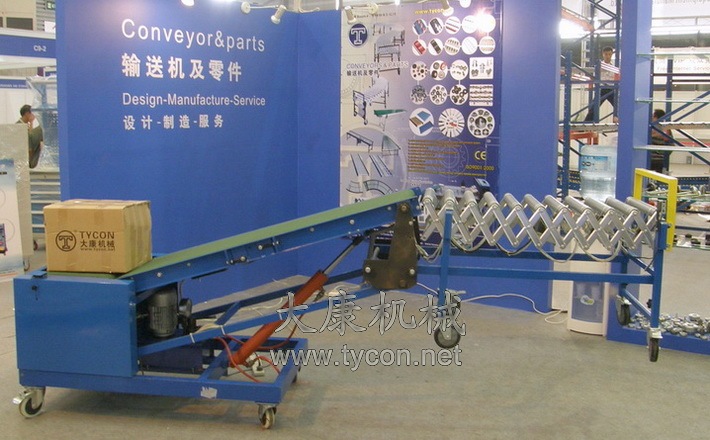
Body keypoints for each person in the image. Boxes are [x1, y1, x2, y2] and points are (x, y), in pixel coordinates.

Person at [584, 46, 619, 122]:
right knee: (593, 107)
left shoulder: (614, 66)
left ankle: (622, 122)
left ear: (612, 54)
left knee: (619, 107)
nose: (608, 56)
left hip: (611, 89)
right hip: (601, 89)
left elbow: (618, 76)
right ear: (603, 54)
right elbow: (592, 76)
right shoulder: (598, 65)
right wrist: (592, 85)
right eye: (606, 54)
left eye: (609, 54)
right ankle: (586, 124)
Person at [17, 104, 43, 169]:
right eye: (32, 113)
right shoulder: (19, 126)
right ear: (27, 114)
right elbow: (29, 138)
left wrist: (31, 122)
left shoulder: (26, 125)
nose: (34, 116)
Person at [650, 108, 673, 174]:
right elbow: (671, 143)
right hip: (661, 159)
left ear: (655, 117)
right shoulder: (666, 128)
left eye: (653, 116)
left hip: (651, 158)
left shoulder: (652, 127)